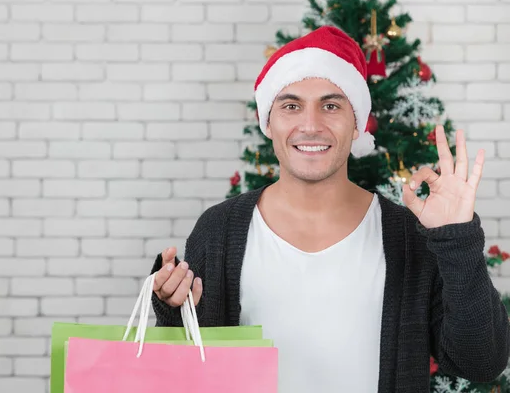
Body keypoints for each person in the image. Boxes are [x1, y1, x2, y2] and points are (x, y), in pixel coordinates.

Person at [148, 25, 510, 392]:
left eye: (331, 105)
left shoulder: (407, 235)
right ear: (268, 123)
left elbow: (480, 362)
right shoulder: (219, 230)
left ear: (357, 124)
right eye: (291, 106)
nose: (310, 125)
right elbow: (186, 367)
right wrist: (173, 309)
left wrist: (457, 239)